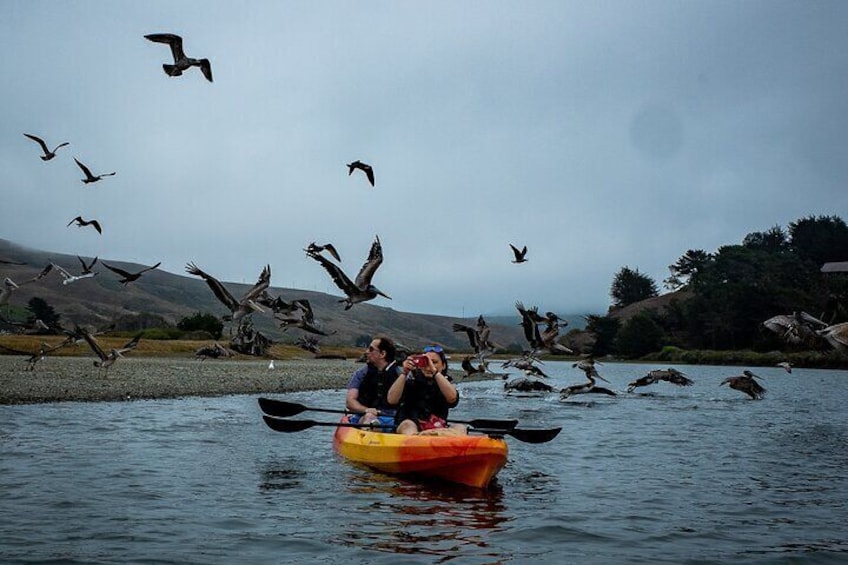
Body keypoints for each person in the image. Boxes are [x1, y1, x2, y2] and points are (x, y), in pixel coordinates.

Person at [387, 345, 464, 435]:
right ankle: (416, 439)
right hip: (410, 427)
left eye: (434, 362)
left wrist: (435, 372)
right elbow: (391, 400)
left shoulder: (446, 386)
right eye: (426, 362)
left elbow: (452, 398)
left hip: (437, 428)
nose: (429, 367)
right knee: (408, 424)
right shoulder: (410, 382)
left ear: (443, 365)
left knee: (460, 427)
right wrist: (405, 372)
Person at [346, 335, 402, 429]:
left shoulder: (400, 375)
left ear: (382, 354)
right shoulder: (361, 374)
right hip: (365, 416)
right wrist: (366, 410)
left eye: (371, 349)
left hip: (392, 417)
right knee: (369, 417)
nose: (367, 352)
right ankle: (373, 428)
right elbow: (350, 401)